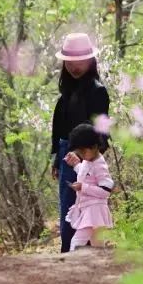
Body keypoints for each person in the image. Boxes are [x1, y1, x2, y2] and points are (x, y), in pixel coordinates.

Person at [50, 32, 110, 253]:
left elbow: (102, 131)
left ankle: (82, 256)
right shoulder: (66, 93)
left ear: (91, 61)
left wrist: (90, 159)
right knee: (69, 209)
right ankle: (69, 253)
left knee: (87, 207)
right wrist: (58, 158)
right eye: (70, 61)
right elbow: (62, 131)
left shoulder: (97, 91)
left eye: (81, 61)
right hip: (68, 155)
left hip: (87, 156)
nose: (75, 66)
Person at [63, 123, 114, 251]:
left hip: (94, 210)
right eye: (79, 152)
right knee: (97, 244)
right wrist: (76, 164)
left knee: (77, 241)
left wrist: (83, 187)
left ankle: (70, 265)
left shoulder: (99, 164)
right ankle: (100, 268)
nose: (82, 154)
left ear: (95, 146)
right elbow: (85, 174)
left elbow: (106, 190)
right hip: (89, 209)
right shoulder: (87, 160)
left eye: (83, 151)